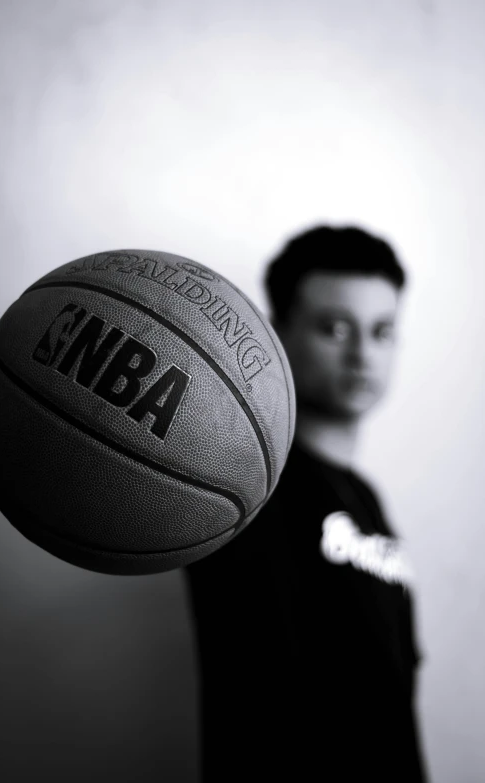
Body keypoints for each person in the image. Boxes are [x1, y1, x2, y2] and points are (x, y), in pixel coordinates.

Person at [185, 225, 428, 782]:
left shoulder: (365, 498)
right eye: (334, 328)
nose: (362, 354)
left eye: (383, 331)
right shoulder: (236, 484)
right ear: (278, 334)